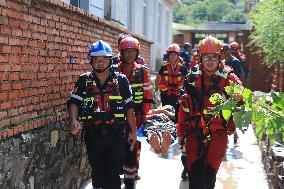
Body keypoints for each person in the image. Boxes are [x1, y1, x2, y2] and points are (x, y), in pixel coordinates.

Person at [67, 40, 137, 189]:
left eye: (104, 59)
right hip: (93, 133)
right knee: (97, 171)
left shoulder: (121, 80)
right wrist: (73, 120)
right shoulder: (83, 81)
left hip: (116, 133)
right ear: (91, 60)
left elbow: (130, 108)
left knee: (112, 172)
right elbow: (74, 102)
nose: (100, 63)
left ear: (110, 60)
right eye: (96, 59)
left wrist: (133, 132)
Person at [177, 36, 242, 189]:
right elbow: (183, 107)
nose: (210, 61)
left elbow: (241, 100)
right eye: (207, 57)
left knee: (209, 178)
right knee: (195, 178)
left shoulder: (229, 77)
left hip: (217, 134)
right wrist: (180, 133)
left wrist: (237, 99)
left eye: (214, 57)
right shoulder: (192, 77)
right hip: (194, 133)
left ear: (220, 57)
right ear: (201, 57)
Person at [115, 36, 152, 189]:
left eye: (132, 51)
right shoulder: (114, 70)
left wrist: (144, 115)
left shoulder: (142, 71)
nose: (129, 55)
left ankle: (130, 181)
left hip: (136, 116)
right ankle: (119, 174)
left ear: (136, 53)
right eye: (126, 51)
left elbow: (147, 95)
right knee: (117, 146)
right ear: (121, 52)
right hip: (117, 116)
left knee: (132, 146)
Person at [155, 43, 188, 120]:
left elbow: (187, 79)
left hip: (177, 94)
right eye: (171, 54)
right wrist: (156, 91)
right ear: (168, 55)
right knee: (165, 112)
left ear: (178, 55)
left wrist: (186, 92)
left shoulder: (182, 66)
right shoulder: (164, 66)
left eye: (175, 54)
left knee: (175, 113)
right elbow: (158, 78)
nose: (173, 56)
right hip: (165, 93)